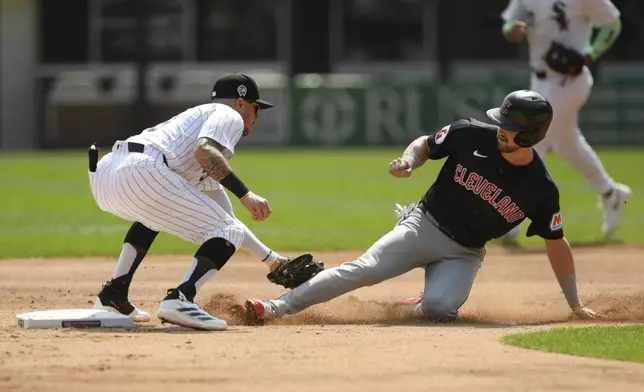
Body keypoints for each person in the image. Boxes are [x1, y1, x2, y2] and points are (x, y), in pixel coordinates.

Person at [245, 90, 601, 324]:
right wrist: (409, 160)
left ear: (531, 135)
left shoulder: (540, 188)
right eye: (500, 122)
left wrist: (574, 305)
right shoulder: (471, 133)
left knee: (437, 310)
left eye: (508, 127)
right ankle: (277, 307)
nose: (499, 129)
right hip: (423, 225)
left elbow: (557, 243)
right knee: (365, 269)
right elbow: (426, 144)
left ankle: (416, 302)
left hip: (464, 253)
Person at [88, 73, 295, 331]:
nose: (255, 117)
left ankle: (114, 294)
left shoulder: (193, 124)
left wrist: (272, 260)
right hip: (143, 170)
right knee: (222, 230)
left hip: (108, 173)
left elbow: (227, 220)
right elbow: (204, 151)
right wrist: (245, 194)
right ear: (240, 103)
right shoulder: (228, 114)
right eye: (256, 108)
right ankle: (180, 299)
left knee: (159, 216)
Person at [498, 0, 631, 245]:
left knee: (531, 142)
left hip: (569, 80)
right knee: (568, 145)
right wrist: (512, 30)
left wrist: (592, 52)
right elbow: (509, 22)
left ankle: (511, 218)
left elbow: (612, 23)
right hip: (539, 80)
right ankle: (611, 194)